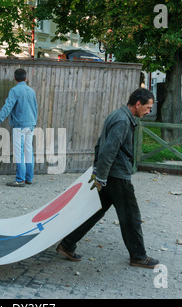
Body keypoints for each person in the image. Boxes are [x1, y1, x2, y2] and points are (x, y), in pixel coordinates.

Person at [56, 88, 160, 269]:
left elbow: (99, 144)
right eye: (148, 107)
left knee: (94, 212)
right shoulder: (122, 121)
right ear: (138, 104)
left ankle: (67, 244)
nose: (149, 111)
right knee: (131, 217)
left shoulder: (117, 115)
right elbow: (108, 150)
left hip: (108, 175)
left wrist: (99, 172)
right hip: (116, 176)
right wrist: (101, 177)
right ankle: (138, 256)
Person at [0, 68, 38, 187]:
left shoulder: (14, 90)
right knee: (28, 151)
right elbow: (35, 108)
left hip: (19, 126)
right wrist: (33, 123)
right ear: (26, 78)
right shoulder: (31, 91)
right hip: (30, 125)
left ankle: (20, 180)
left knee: (19, 153)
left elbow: (8, 106)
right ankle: (29, 178)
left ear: (15, 78)